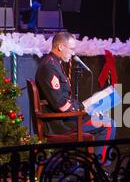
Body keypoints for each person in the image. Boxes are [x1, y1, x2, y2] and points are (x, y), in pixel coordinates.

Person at [35, 32, 115, 161]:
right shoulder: (49, 67)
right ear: (60, 47)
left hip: (64, 120)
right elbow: (60, 105)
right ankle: (99, 168)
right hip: (59, 124)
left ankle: (89, 167)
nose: (73, 53)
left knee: (103, 116)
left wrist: (87, 106)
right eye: (71, 49)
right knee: (108, 124)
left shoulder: (54, 63)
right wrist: (84, 109)